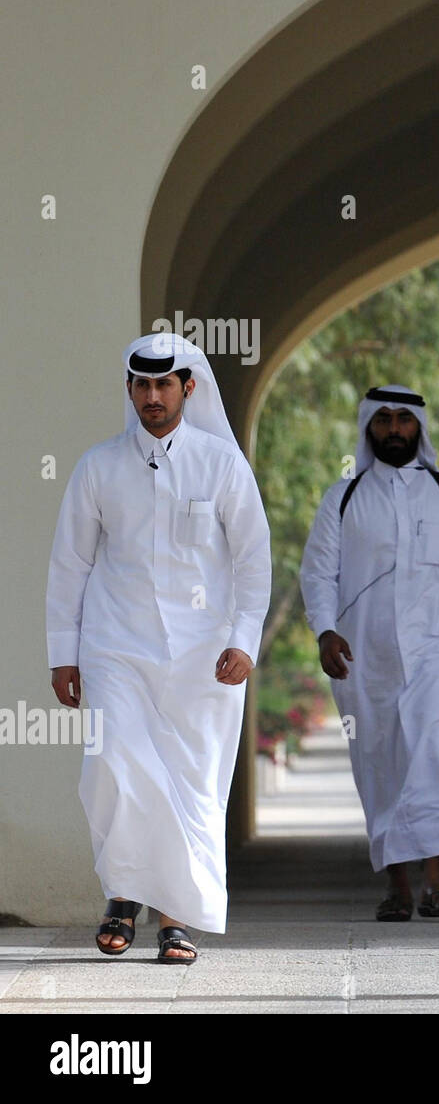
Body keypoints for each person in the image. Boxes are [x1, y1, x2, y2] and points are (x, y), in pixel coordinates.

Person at [46, 333, 272, 964]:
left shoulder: (222, 464)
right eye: (141, 385)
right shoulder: (98, 466)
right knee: (112, 769)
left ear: (187, 388)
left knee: (192, 783)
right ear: (129, 390)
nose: (152, 395)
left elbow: (254, 558)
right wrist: (63, 653)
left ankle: (175, 917)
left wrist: (245, 640)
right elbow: (70, 564)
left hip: (204, 657)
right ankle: (123, 893)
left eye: (163, 384)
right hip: (115, 646)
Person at [300, 385, 439, 922]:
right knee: (382, 763)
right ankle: (398, 886)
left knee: (436, 755)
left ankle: (436, 883)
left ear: (420, 427)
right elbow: (318, 573)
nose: (395, 429)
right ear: (369, 427)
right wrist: (325, 631)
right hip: (366, 659)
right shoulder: (342, 498)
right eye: (384, 420)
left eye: (404, 420)